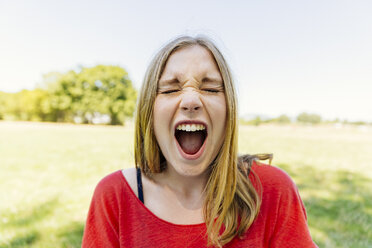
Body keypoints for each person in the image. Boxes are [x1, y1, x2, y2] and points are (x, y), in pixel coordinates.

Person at [82, 35, 318, 248]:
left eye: (211, 88)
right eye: (171, 89)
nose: (191, 100)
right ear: (149, 112)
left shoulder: (273, 190)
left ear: (229, 111)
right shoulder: (114, 197)